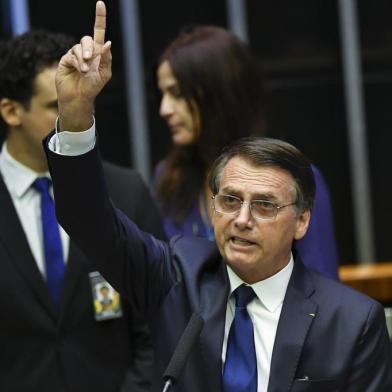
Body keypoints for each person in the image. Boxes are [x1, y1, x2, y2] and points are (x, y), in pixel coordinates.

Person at [44, 3, 391, 391]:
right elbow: (87, 218)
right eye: (228, 201)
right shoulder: (178, 279)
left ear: (302, 220)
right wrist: (75, 115)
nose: (242, 219)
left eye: (264, 206)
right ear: (212, 204)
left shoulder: (351, 322)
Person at [0, 29, 165, 392]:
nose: (73, 110)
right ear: (12, 111)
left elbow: (160, 319)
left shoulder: (124, 190)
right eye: (55, 104)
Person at [153, 25, 339, 280]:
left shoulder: (295, 177)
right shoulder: (170, 179)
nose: (165, 109)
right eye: (162, 94)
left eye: (177, 93)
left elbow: (322, 290)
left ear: (218, 95)